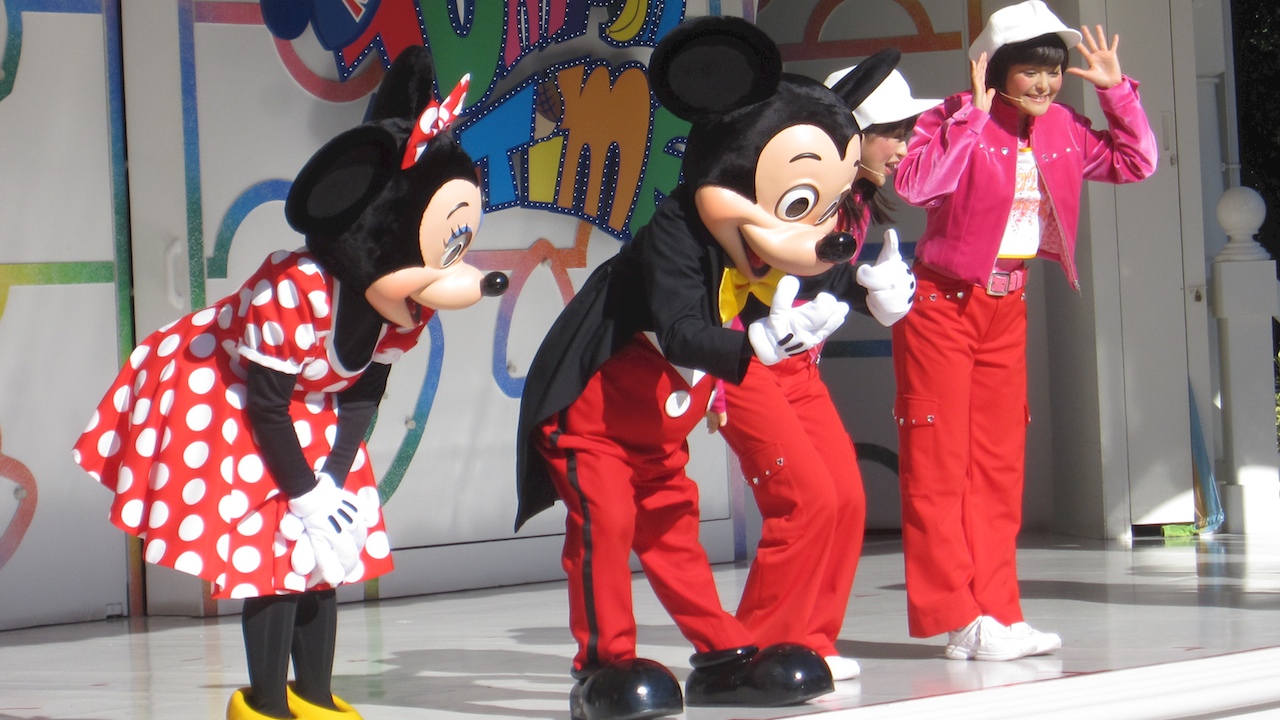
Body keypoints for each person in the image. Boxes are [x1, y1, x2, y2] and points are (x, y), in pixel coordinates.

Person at [72, 47, 508, 719]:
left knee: (325, 560)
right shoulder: (296, 288)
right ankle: (265, 705)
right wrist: (303, 493)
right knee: (272, 562)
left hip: (316, 406)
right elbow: (267, 403)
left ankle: (314, 697)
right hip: (229, 396)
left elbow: (364, 391)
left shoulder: (404, 307)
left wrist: (332, 479)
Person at [514, 16, 908, 720]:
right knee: (608, 523)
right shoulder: (676, 234)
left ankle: (725, 656)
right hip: (591, 416)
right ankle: (603, 663)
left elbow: (800, 269)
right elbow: (683, 331)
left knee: (673, 528)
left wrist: (863, 290)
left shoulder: (750, 246)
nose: (814, 233)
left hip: (661, 421)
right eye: (798, 204)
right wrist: (759, 344)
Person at [891, 0, 1158, 662]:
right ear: (997, 69)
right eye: (1030, 70)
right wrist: (972, 118)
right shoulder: (952, 115)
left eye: (1054, 70)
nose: (1044, 83)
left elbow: (1136, 162)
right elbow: (917, 185)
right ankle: (958, 617)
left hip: (1007, 307)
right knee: (938, 466)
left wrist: (1116, 92)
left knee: (999, 467)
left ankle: (999, 613)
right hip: (941, 306)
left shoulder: (1064, 126)